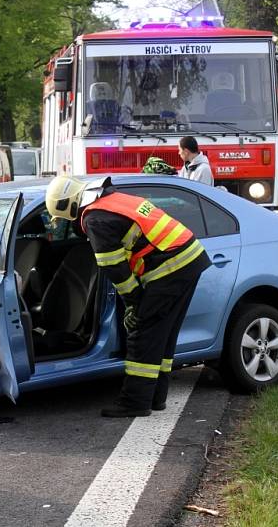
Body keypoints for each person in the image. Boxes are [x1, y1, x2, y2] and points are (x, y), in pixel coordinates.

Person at [45, 176, 211, 417]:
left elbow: (115, 268)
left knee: (143, 333)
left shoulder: (96, 219)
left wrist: (134, 304)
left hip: (170, 266)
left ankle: (135, 402)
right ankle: (155, 397)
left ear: (67, 206)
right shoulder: (113, 199)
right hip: (188, 259)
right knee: (162, 333)